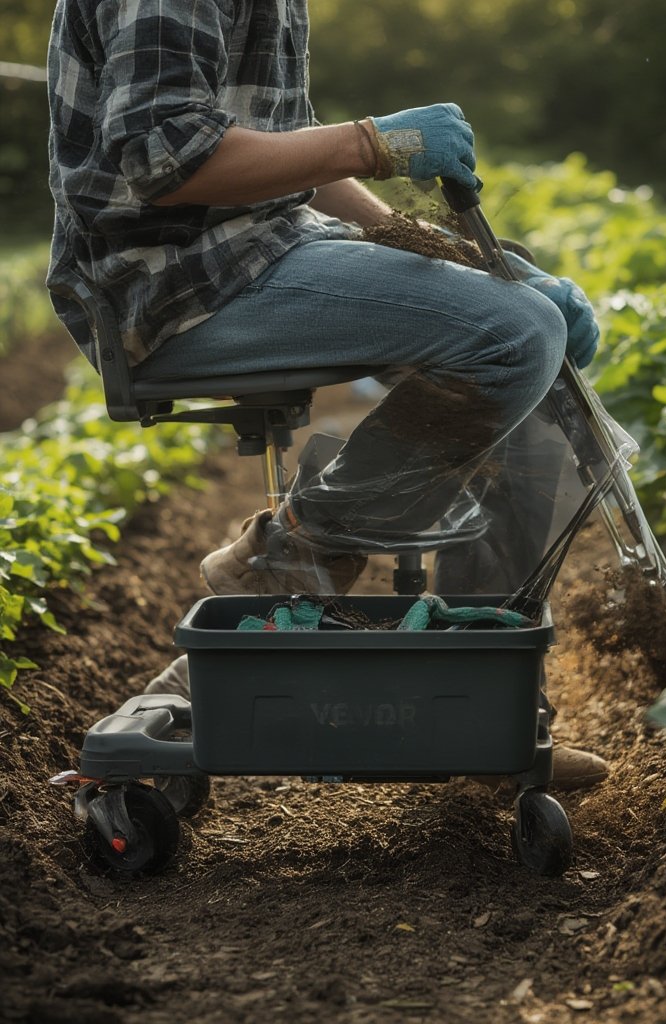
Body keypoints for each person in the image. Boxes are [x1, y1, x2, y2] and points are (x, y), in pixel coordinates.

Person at [47, 0, 607, 791]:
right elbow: (162, 153)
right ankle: (286, 564)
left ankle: (485, 704)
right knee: (514, 337)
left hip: (263, 248)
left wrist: (449, 251)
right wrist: (371, 141)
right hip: (176, 282)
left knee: (525, 344)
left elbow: (288, 164)